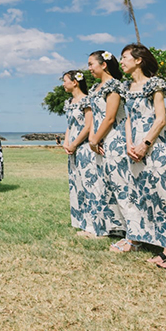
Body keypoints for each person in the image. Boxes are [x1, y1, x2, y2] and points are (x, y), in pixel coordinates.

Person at [119, 43, 166, 269]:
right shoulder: (127, 87)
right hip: (135, 148)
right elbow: (128, 119)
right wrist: (130, 144)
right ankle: (165, 249)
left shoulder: (155, 84)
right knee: (150, 197)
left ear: (138, 60)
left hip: (156, 146)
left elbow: (160, 119)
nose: (122, 62)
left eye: (124, 57)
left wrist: (145, 144)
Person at [87, 50, 134, 247]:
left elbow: (110, 117)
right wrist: (93, 139)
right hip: (99, 142)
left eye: (91, 64)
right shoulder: (94, 88)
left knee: (122, 185)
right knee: (104, 187)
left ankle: (133, 236)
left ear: (103, 65)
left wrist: (95, 139)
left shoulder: (114, 85)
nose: (89, 68)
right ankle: (111, 227)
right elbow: (94, 118)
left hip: (115, 140)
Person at [61, 70, 98, 238]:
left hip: (84, 148)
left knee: (89, 185)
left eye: (65, 81)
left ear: (74, 82)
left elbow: (88, 125)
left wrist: (75, 144)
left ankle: (93, 225)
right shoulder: (69, 102)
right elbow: (70, 124)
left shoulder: (87, 100)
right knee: (77, 185)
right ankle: (82, 222)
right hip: (73, 149)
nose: (63, 84)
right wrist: (66, 142)